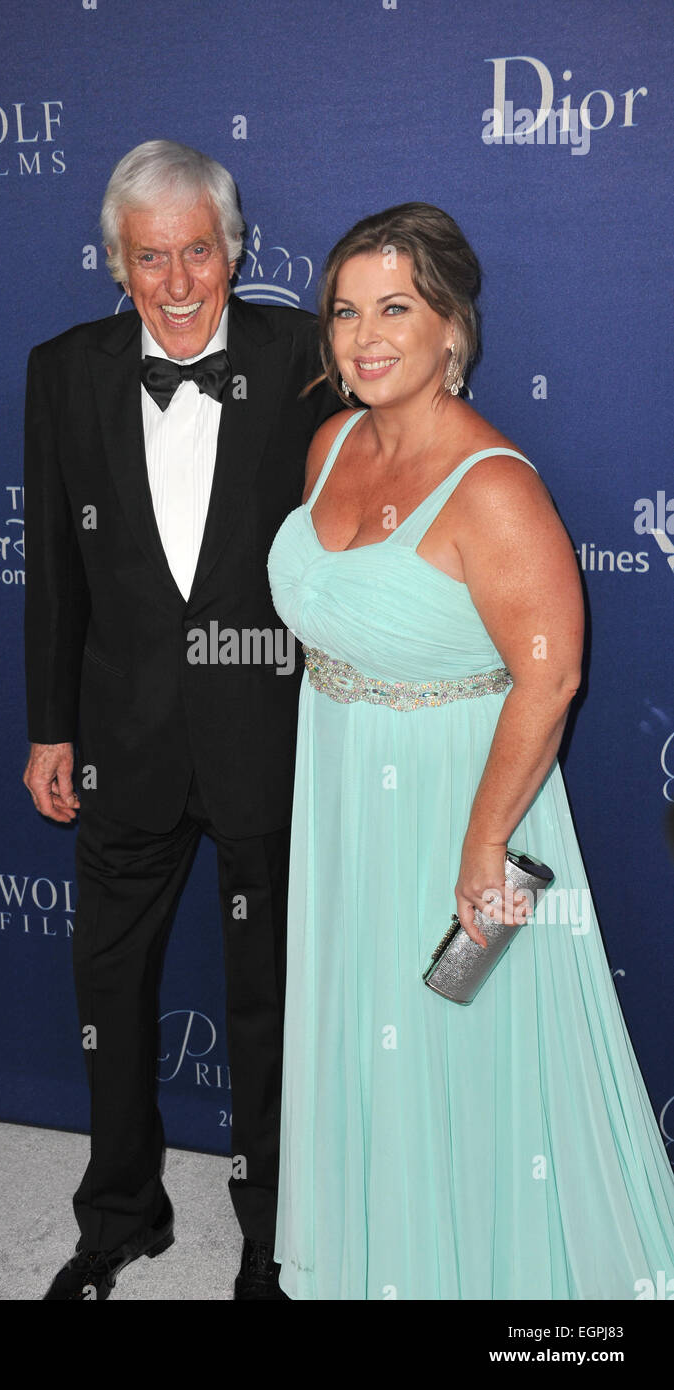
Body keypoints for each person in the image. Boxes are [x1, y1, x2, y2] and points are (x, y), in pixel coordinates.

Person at [267, 203, 674, 1299]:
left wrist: (483, 847)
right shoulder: (331, 440)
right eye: (345, 311)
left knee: (464, 1050)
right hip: (345, 783)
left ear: (453, 328)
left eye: (395, 307)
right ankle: (377, 1263)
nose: (364, 335)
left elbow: (549, 677)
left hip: (464, 799)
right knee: (368, 1039)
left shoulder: (494, 486)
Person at [22, 140, 337, 1300]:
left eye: (196, 249)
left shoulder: (307, 355)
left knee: (267, 998)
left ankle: (270, 1233)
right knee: (109, 986)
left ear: (233, 248)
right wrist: (49, 728)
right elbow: (51, 566)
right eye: (148, 256)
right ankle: (118, 1217)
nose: (176, 279)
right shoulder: (61, 370)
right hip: (123, 739)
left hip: (266, 729)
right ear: (116, 263)